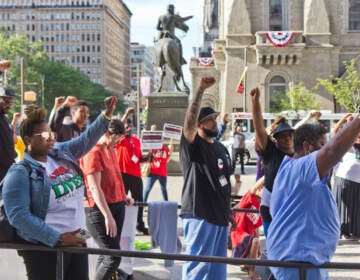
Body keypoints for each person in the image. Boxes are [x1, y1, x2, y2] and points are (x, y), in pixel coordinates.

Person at [2, 97, 117, 280]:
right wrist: (58, 238)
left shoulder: (60, 153)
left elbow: (86, 140)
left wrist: (107, 115)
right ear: (28, 139)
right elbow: (18, 216)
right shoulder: (19, 172)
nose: (51, 139)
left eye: (52, 135)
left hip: (77, 243)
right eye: (45, 136)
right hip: (44, 249)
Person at [266, 122, 360, 279]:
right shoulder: (301, 169)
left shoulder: (294, 169)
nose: (325, 149)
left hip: (303, 261)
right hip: (298, 263)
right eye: (322, 145)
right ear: (307, 147)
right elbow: (332, 151)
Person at [179, 76, 233, 280]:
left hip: (219, 217)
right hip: (199, 214)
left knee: (217, 271)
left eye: (215, 118)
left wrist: (228, 209)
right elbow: (189, 123)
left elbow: (223, 181)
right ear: (199, 125)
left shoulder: (219, 147)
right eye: (209, 119)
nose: (214, 122)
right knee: (198, 269)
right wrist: (200, 91)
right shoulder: (193, 145)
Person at [80, 118, 134, 279]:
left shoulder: (110, 148)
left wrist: (123, 196)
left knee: (107, 255)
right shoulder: (93, 151)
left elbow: (116, 175)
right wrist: (107, 216)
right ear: (107, 133)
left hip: (116, 204)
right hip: (98, 209)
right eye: (117, 138)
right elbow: (95, 187)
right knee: (113, 256)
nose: (118, 141)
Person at [250, 87, 294, 237]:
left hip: (291, 209)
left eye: (290, 135)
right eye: (283, 136)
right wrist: (255, 103)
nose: (287, 138)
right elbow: (259, 130)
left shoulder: (299, 155)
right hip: (271, 209)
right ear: (276, 138)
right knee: (274, 249)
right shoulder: (271, 153)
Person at [115, 107, 149, 235]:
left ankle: (139, 224)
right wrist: (126, 114)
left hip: (136, 175)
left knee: (139, 201)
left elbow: (138, 158)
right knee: (120, 201)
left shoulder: (136, 140)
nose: (128, 129)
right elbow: (117, 128)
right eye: (126, 127)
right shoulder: (120, 140)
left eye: (130, 126)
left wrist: (147, 158)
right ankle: (120, 224)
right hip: (122, 174)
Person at [331, 113, 360, 239]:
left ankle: (356, 230)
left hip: (357, 181)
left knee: (356, 206)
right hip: (345, 178)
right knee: (345, 207)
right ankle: (344, 230)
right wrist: (344, 118)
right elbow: (334, 131)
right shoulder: (346, 142)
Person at [230, 176, 264, 280]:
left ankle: (247, 264)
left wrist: (259, 249)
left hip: (246, 237)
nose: (262, 190)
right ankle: (251, 272)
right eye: (262, 188)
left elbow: (255, 229)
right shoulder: (249, 198)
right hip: (238, 234)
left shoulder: (261, 208)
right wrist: (269, 171)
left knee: (256, 241)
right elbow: (255, 187)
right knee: (255, 241)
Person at [143, 124, 174, 202]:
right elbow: (150, 142)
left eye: (163, 138)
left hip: (163, 173)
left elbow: (167, 160)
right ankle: (142, 205)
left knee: (164, 190)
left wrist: (171, 151)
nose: (162, 139)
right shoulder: (154, 146)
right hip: (153, 171)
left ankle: (167, 205)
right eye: (160, 137)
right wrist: (152, 131)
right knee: (147, 189)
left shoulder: (165, 149)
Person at [0, 86, 16, 182]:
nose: (9, 106)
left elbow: (13, 140)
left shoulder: (5, 118)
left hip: (9, 167)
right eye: (6, 102)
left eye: (11, 103)